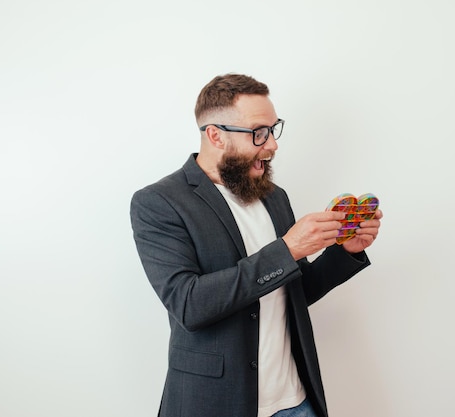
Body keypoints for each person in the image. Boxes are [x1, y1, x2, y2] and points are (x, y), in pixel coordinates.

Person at [130, 73, 382, 417]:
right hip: (215, 404)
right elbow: (189, 304)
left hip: (294, 402)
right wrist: (288, 249)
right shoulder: (159, 202)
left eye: (273, 129)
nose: (272, 145)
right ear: (215, 135)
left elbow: (294, 291)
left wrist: (344, 253)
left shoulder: (274, 197)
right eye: (258, 133)